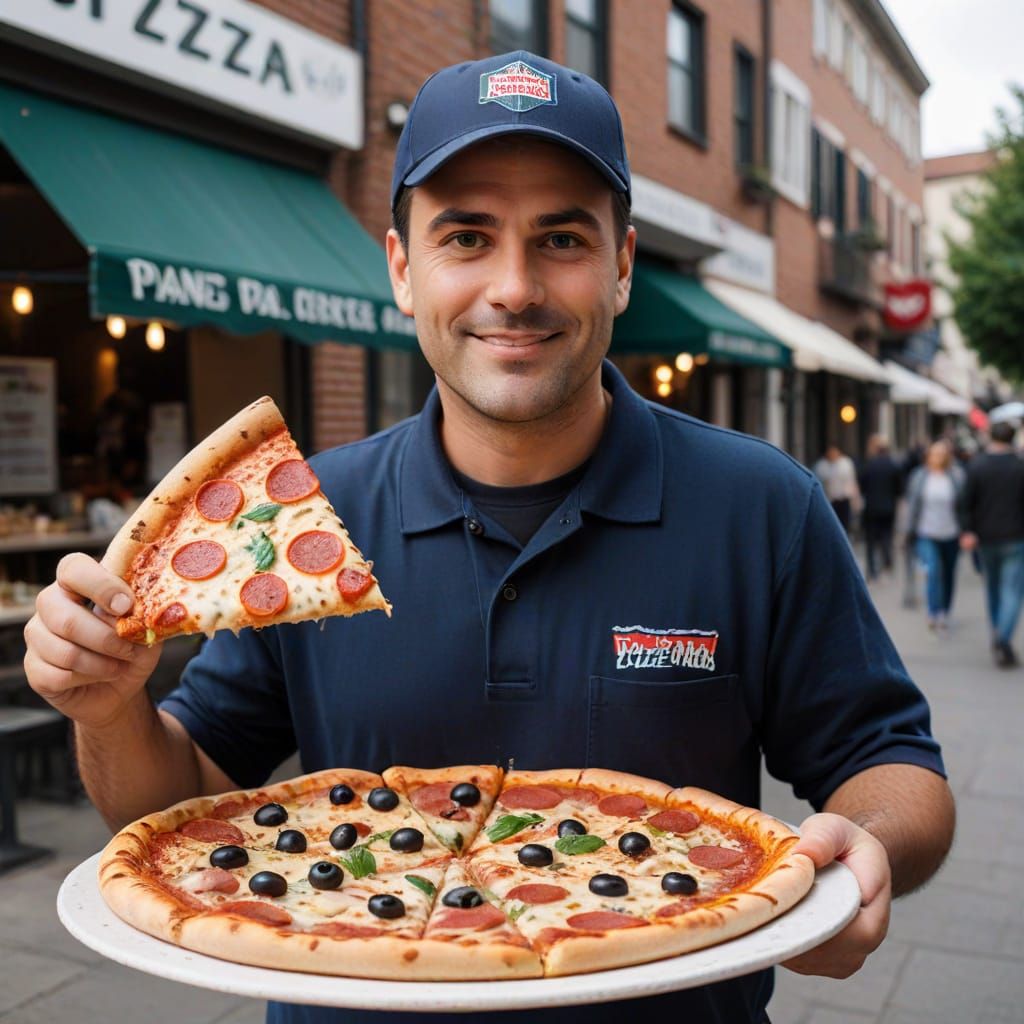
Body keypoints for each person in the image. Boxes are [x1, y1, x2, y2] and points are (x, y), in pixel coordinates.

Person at [23, 51, 953, 1024]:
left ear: (623, 263)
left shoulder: (760, 504)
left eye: (560, 238)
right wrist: (110, 709)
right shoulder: (304, 518)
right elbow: (171, 807)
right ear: (402, 269)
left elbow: (896, 768)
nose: (513, 286)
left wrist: (864, 842)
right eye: (466, 236)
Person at [960, 421, 1024, 667]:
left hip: (985, 537)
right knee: (1012, 591)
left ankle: (998, 635)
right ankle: (1003, 637)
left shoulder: (978, 466)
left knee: (994, 589)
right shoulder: (1020, 466)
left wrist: (967, 530)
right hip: (1015, 537)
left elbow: (965, 501)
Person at [906, 440, 965, 632]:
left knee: (948, 573)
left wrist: (967, 530)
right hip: (926, 532)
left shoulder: (956, 476)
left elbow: (964, 505)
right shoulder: (919, 477)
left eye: (941, 454)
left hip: (951, 533)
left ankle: (944, 611)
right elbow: (912, 506)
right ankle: (933, 611)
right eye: (934, 454)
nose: (937, 458)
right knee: (933, 570)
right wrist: (908, 530)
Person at [858, 434, 904, 581]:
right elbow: (900, 489)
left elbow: (862, 486)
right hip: (888, 507)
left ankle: (872, 570)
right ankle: (887, 563)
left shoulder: (869, 465)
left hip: (871, 507)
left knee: (871, 540)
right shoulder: (893, 465)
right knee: (886, 536)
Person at [813, 443, 861, 533]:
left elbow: (852, 481)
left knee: (844, 524)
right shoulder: (822, 465)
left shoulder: (846, 463)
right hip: (830, 499)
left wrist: (855, 499)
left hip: (844, 498)